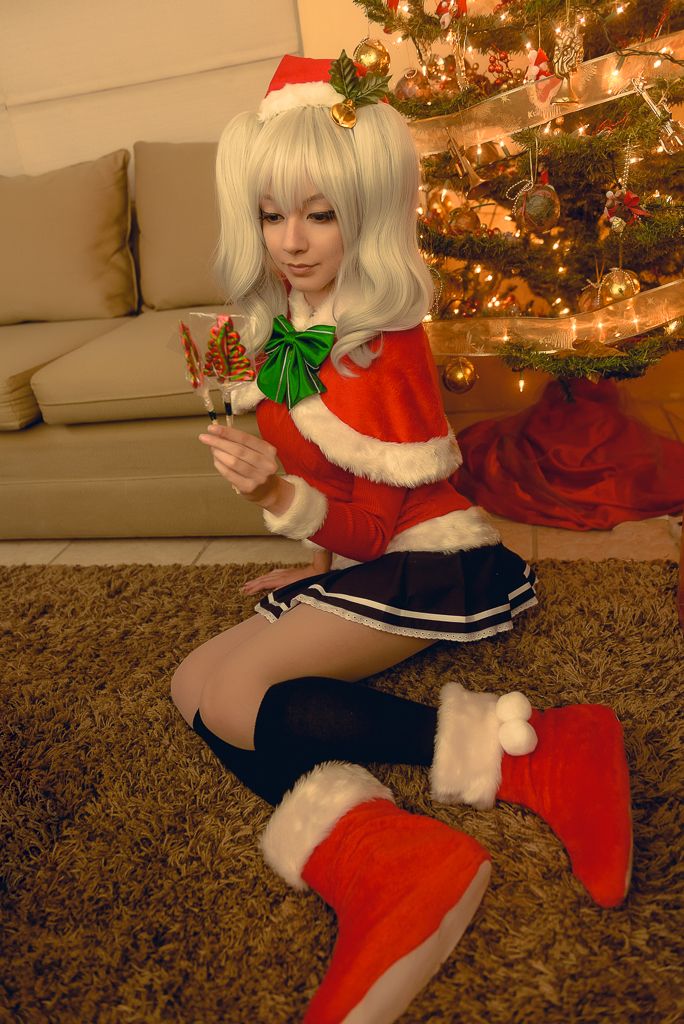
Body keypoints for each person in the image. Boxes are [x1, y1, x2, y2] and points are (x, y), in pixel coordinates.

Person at [170, 53, 632, 1024]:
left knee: (240, 696)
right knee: (191, 685)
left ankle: (537, 753)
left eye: (320, 214)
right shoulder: (294, 323)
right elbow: (334, 479)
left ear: (367, 211)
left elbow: (377, 524)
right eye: (271, 214)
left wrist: (281, 497)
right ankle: (386, 854)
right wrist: (313, 564)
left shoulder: (384, 343)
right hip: (361, 551)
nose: (292, 241)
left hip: (430, 558)